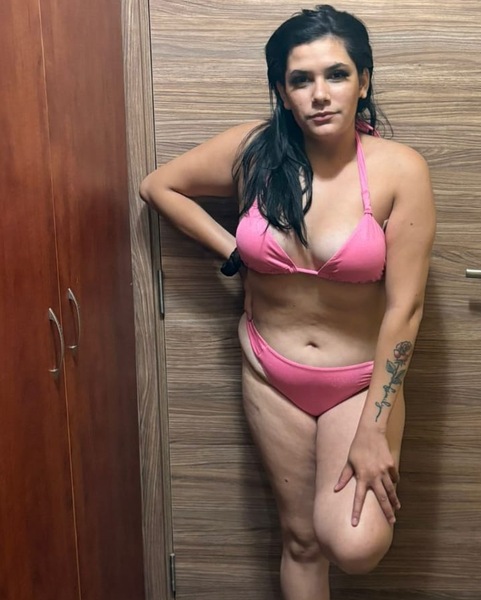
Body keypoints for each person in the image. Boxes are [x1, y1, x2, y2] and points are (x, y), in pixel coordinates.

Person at [140, 4, 435, 598]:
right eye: (301, 79)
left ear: (363, 81)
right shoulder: (253, 152)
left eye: (337, 74)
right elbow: (159, 186)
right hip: (270, 374)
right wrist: (235, 250)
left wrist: (374, 427)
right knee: (300, 540)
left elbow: (404, 310)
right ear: (282, 90)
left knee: (355, 544)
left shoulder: (400, 171)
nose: (320, 94)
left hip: (358, 382)